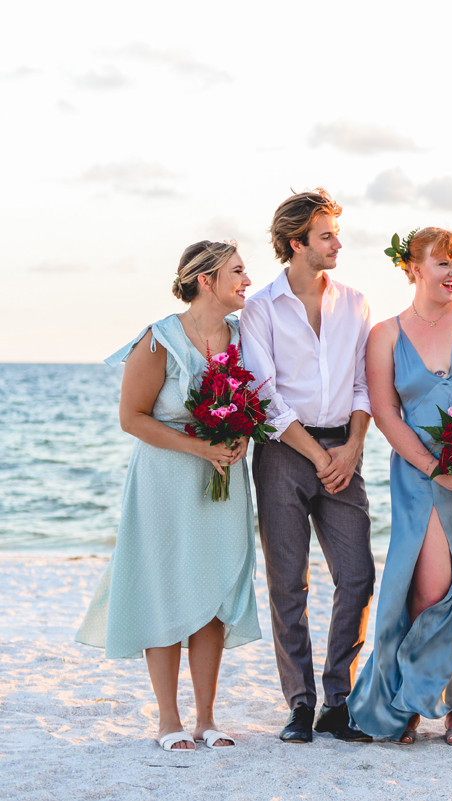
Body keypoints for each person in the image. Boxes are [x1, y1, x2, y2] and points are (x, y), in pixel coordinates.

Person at [76, 240, 261, 751]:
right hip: (165, 480)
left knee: (215, 588)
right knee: (165, 586)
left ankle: (206, 718)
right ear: (206, 280)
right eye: (238, 272)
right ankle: (167, 720)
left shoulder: (245, 337)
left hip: (223, 481)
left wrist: (242, 435)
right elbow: (131, 417)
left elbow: (258, 399)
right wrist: (201, 447)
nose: (247, 281)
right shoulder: (159, 340)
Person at [346, 228, 452, 745]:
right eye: (441, 263)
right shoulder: (385, 334)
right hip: (422, 475)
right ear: (413, 268)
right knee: (430, 588)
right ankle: (414, 696)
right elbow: (385, 413)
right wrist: (434, 468)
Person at [239, 189, 375, 744]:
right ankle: (300, 703)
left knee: (358, 576)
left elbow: (367, 382)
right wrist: (320, 456)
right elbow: (264, 395)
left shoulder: (355, 303)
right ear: (296, 244)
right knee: (287, 584)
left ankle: (337, 701)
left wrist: (352, 448)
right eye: (325, 236)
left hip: (344, 450)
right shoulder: (260, 308)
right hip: (283, 455)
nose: (337, 244)